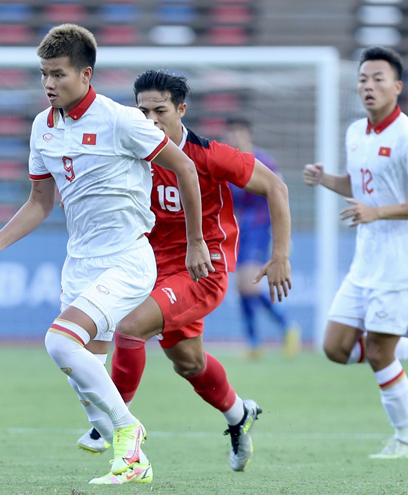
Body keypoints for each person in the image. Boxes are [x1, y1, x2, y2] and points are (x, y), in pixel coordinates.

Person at [0, 25, 214, 484]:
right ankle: (119, 445)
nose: (48, 84)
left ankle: (130, 437)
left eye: (58, 74)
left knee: (59, 341)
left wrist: (197, 240)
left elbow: (185, 168)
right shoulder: (43, 127)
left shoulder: (121, 120)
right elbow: (40, 202)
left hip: (127, 259)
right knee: (83, 376)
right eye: (43, 74)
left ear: (85, 73)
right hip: (79, 263)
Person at [75, 70, 292, 481]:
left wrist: (280, 254)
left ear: (181, 110)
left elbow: (276, 188)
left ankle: (113, 426)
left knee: (129, 328)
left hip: (200, 271)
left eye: (160, 110)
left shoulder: (210, 156)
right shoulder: (134, 153)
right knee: (188, 363)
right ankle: (239, 413)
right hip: (151, 272)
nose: (151, 120)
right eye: (143, 111)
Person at [303, 46, 408, 460]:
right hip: (365, 261)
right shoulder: (357, 132)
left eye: (378, 79)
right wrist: (326, 180)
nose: (368, 86)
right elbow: (361, 188)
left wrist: (379, 212)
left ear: (398, 86)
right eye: (362, 79)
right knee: (335, 348)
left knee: (377, 353)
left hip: (399, 263)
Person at [224, 118, 302, 359]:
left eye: (239, 132)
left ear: (248, 134)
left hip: (259, 229)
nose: (235, 137)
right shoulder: (225, 163)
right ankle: (255, 343)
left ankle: (286, 328)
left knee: (249, 284)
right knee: (243, 287)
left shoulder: (264, 162)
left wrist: (283, 237)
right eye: (231, 133)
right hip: (236, 232)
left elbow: (280, 195)